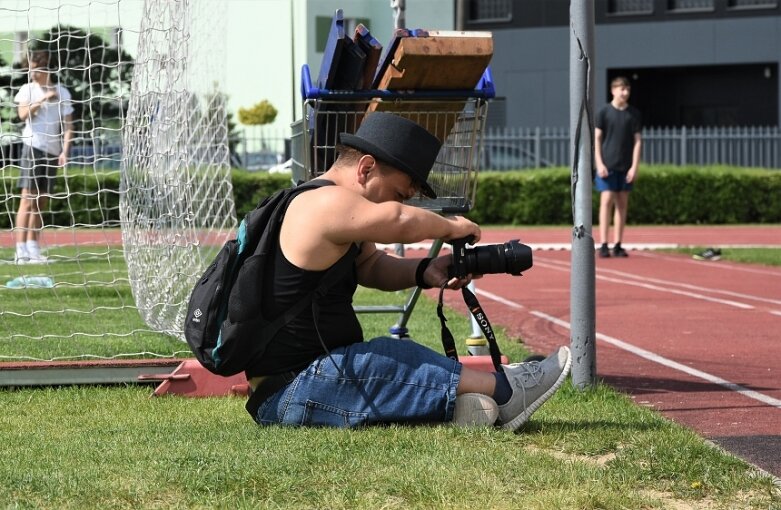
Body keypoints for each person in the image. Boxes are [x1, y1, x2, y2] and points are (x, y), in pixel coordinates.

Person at [246, 112, 572, 429]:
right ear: (366, 168)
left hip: (309, 383)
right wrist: (449, 226)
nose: (402, 204)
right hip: (296, 385)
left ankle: (464, 405)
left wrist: (425, 270)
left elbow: (371, 267)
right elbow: (398, 220)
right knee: (387, 357)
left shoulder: (331, 208)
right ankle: (508, 390)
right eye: (399, 195)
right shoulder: (323, 202)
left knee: (374, 365)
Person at [13, 50, 74, 264]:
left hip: (52, 151)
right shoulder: (27, 90)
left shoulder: (63, 93)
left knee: (42, 201)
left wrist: (65, 151)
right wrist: (43, 99)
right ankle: (20, 251)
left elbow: (68, 126)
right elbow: (22, 115)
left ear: (46, 69)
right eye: (29, 68)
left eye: (35, 69)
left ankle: (33, 248)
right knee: (27, 199)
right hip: (32, 147)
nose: (31, 73)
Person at [594, 76, 642, 258]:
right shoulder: (604, 112)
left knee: (622, 204)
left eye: (627, 89)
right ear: (613, 90)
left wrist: (634, 167)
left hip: (626, 166)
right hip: (607, 165)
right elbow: (597, 139)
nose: (625, 92)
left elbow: (638, 142)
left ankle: (618, 243)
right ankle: (604, 243)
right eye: (622, 89)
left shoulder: (634, 114)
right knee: (606, 201)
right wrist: (599, 163)